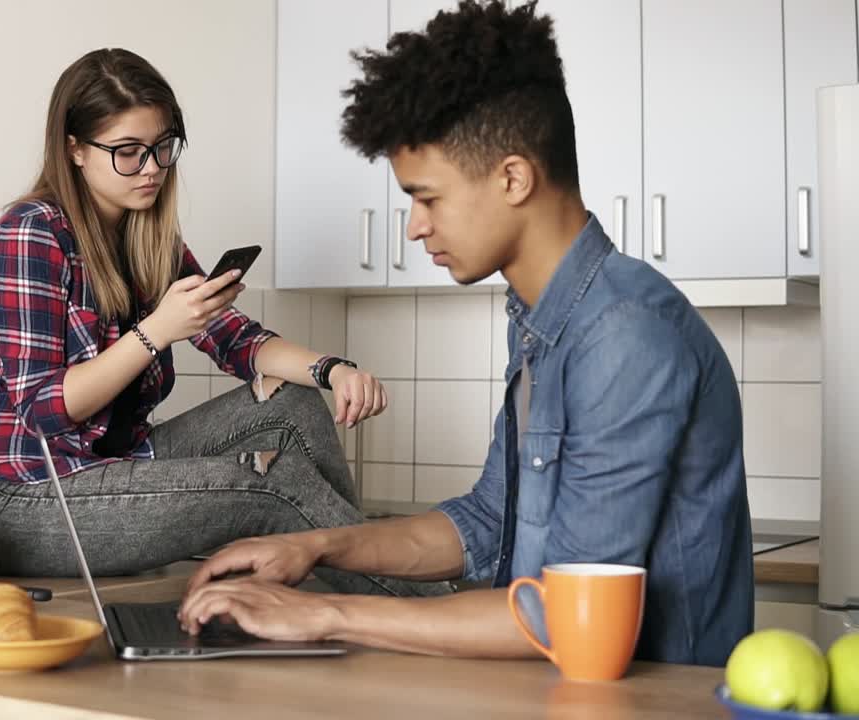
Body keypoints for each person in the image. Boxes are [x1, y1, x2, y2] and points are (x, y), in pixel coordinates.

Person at [178, 0, 752, 667]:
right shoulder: (543, 322)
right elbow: (485, 522)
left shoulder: (624, 335)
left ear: (513, 177)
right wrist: (316, 547)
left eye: (428, 198)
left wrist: (326, 613)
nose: (415, 227)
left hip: (656, 703)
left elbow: (566, 619)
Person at [0, 48, 432, 597]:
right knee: (275, 482)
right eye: (127, 152)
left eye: (161, 147)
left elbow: (235, 339)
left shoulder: (149, 238)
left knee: (293, 403)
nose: (151, 167)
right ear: (74, 149)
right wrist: (156, 329)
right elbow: (43, 409)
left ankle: (357, 588)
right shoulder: (30, 232)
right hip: (14, 501)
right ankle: (424, 611)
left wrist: (333, 370)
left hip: (111, 465)